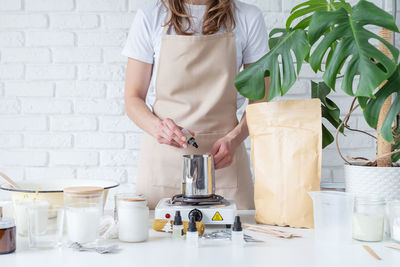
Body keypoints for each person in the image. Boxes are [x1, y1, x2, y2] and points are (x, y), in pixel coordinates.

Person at [123, 0, 269, 209]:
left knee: (236, 237)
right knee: (160, 240)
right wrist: (159, 129)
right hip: (163, 163)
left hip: (224, 162)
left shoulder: (248, 17)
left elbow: (260, 102)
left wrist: (234, 139)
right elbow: (132, 98)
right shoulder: (151, 17)